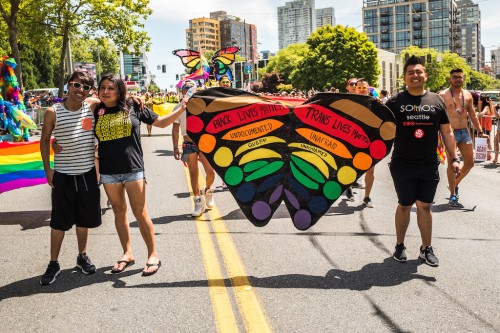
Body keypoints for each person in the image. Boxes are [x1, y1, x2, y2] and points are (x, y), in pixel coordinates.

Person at [95, 74, 188, 276]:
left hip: (133, 169)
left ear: (120, 90)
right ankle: (127, 253)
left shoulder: (133, 106)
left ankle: (152, 254)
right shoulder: (96, 110)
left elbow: (162, 123)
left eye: (111, 88)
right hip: (108, 172)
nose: (106, 92)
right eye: (102, 88)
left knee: (140, 212)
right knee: (119, 213)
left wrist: (182, 108)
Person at [385, 56, 461, 267]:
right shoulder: (394, 102)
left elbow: (447, 132)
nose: (415, 76)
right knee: (404, 205)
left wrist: (454, 159)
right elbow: (379, 129)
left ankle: (426, 248)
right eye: (411, 72)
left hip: (428, 163)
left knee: (425, 206)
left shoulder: (436, 101)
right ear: (405, 77)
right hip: (402, 163)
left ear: (425, 75)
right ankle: (400, 245)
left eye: (419, 72)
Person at [39, 71, 101, 285]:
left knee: (83, 220)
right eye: (76, 85)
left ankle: (82, 256)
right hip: (63, 175)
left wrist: (136, 99)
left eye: (85, 88)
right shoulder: (52, 111)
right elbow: (45, 140)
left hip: (87, 175)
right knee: (58, 223)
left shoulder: (91, 107)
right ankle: (53, 262)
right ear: (68, 85)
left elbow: (115, 98)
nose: (80, 91)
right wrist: (48, 170)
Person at [438, 68, 484, 207]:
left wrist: (480, 131)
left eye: (460, 77)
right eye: (454, 77)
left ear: (463, 79)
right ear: (450, 79)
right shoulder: (442, 95)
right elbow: (437, 116)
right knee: (453, 164)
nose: (457, 79)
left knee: (470, 163)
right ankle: (453, 194)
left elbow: (473, 115)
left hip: (464, 132)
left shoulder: (468, 95)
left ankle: (454, 184)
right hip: (449, 133)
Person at [172, 80, 215, 217]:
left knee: (210, 172)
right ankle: (198, 202)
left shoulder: (203, 105)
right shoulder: (178, 108)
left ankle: (208, 191)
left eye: (192, 88)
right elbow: (175, 129)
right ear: (182, 91)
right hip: (188, 144)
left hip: (204, 143)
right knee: (193, 174)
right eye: (187, 88)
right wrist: (175, 147)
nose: (189, 90)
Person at [355, 78, 376, 208]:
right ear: (356, 89)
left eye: (364, 88)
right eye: (359, 88)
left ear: (369, 89)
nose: (362, 90)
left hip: (370, 141)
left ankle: (367, 197)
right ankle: (348, 189)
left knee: (370, 171)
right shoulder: (348, 102)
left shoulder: (375, 103)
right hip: (352, 141)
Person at [476, 95, 494, 160]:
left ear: (481, 100)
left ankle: (489, 154)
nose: (478, 101)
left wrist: (476, 115)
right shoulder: (479, 107)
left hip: (486, 125)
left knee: (487, 139)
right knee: (483, 139)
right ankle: (485, 154)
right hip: (481, 125)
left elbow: (481, 114)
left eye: (479, 99)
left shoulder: (486, 107)